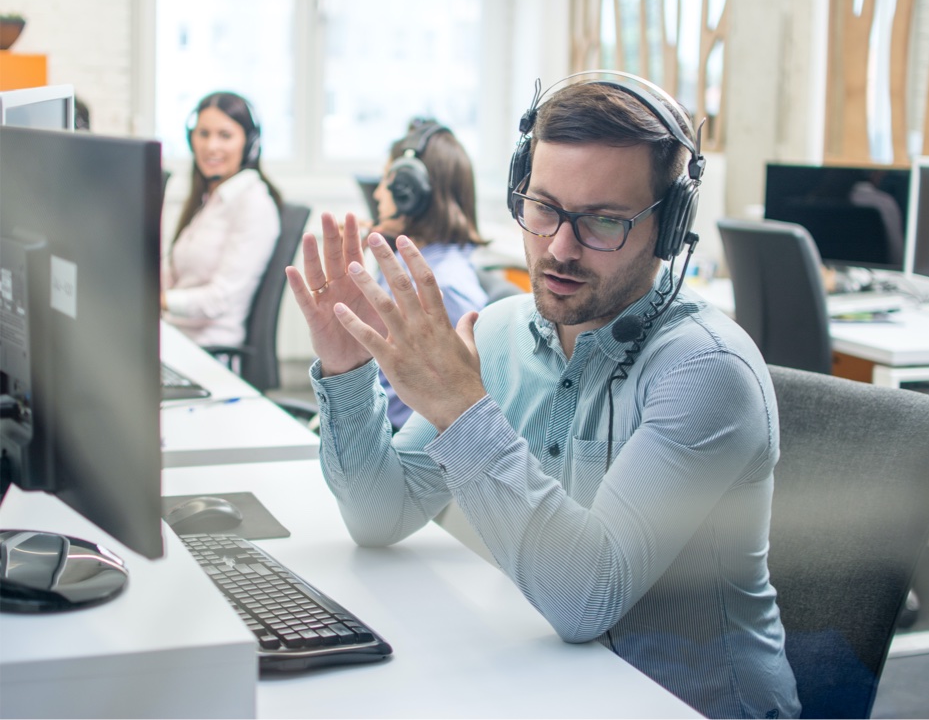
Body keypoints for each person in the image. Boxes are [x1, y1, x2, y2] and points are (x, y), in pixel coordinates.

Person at [286, 72, 800, 719]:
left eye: (604, 222)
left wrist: (460, 410)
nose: (559, 248)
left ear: (668, 230)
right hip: (558, 685)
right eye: (544, 207)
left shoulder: (706, 372)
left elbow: (589, 597)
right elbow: (378, 515)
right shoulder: (502, 332)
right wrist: (346, 367)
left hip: (687, 702)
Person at [368, 118, 488, 430]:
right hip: (378, 423)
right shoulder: (406, 262)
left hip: (405, 445)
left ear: (412, 191)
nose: (378, 194)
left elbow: (463, 411)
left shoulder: (444, 287)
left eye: (386, 182)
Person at [162, 91, 283, 347]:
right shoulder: (209, 199)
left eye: (225, 135)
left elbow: (220, 299)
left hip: (208, 348)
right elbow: (177, 275)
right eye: (203, 134)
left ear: (249, 144)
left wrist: (160, 300)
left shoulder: (254, 204)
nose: (210, 146)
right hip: (174, 337)